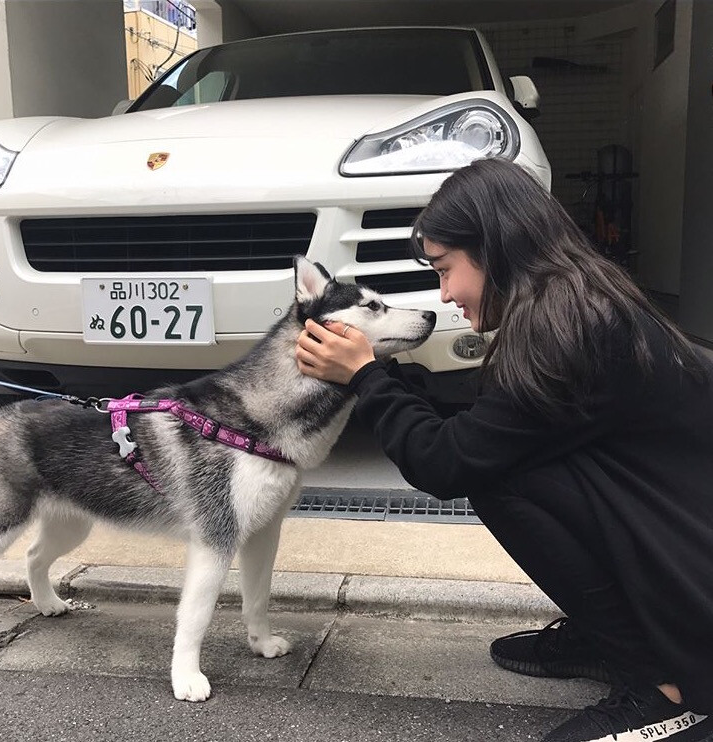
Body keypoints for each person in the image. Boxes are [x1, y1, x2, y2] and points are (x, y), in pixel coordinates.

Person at [295, 158, 713, 742]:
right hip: (683, 541)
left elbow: (445, 462)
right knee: (508, 465)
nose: (445, 293)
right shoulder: (579, 301)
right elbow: (486, 432)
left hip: (694, 583)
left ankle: (664, 685)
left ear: (493, 248)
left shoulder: (566, 333)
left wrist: (366, 377)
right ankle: (616, 635)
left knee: (500, 479)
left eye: (446, 269)